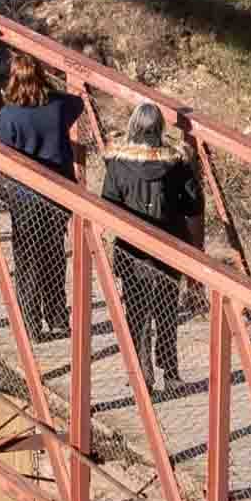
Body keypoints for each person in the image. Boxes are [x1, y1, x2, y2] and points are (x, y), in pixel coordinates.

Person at [95, 98, 205, 391]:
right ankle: (171, 373)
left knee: (138, 314)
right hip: (168, 250)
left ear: (132, 126)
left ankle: (143, 377)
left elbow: (108, 206)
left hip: (131, 254)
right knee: (167, 313)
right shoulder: (177, 164)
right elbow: (193, 205)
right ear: (159, 128)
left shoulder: (118, 164)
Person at [0, 57, 79, 343]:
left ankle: (30, 324)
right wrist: (49, 89)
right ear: (40, 77)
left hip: (25, 197)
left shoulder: (9, 116)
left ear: (12, 80)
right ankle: (57, 318)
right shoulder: (58, 107)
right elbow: (77, 102)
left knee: (27, 261)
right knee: (53, 256)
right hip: (56, 194)